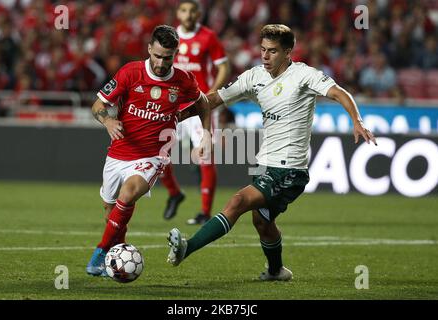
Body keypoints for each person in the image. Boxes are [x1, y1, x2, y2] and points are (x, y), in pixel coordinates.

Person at [166, 24, 377, 281]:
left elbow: (339, 93)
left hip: (290, 169)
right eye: (263, 50)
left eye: (273, 51)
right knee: (262, 223)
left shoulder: (304, 75)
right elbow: (212, 100)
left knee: (238, 202)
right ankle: (277, 271)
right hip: (265, 164)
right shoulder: (254, 77)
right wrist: (178, 115)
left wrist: (357, 120)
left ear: (288, 52)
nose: (265, 56)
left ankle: (186, 248)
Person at [86, 25, 212, 276]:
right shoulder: (130, 73)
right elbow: (98, 104)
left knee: (129, 192)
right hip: (119, 151)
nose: (161, 63)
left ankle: (100, 252)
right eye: (157, 56)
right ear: (149, 49)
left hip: (153, 154)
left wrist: (206, 135)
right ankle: (117, 256)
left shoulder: (183, 80)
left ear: (175, 54)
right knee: (110, 211)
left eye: (168, 57)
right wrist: (109, 121)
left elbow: (203, 103)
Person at [160, 0, 231, 225]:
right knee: (157, 153)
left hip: (200, 104)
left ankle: (204, 212)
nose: (188, 15)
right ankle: (174, 192)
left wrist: (211, 92)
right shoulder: (170, 38)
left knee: (205, 156)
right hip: (174, 105)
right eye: (184, 10)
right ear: (178, 14)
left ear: (198, 14)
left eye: (192, 11)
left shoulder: (208, 36)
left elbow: (224, 67)